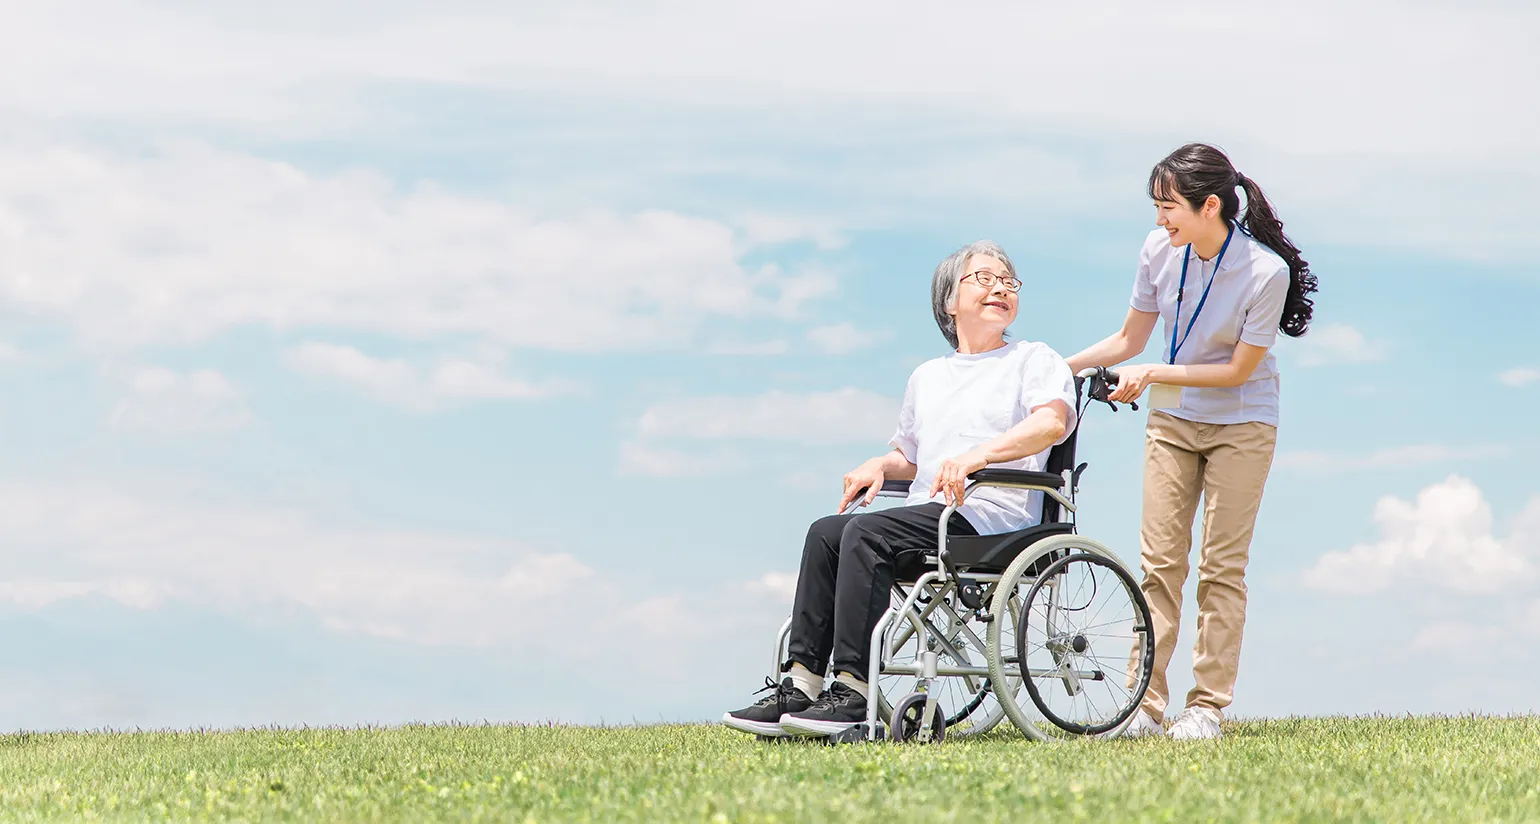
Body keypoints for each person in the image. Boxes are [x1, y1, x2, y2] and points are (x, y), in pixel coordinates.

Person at [722, 240, 1078, 738]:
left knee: (866, 533)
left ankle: (853, 689)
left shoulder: (1034, 359)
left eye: (1007, 281)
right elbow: (912, 459)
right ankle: (801, 684)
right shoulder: (928, 376)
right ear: (949, 301)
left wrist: (978, 456)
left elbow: (1051, 424)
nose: (999, 287)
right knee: (826, 532)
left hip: (993, 517)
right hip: (931, 513)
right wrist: (880, 465)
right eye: (984, 278)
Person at [1067, 143, 1317, 740]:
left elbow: (1236, 371)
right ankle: (1144, 706)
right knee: (1159, 566)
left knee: (1221, 568)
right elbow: (1129, 340)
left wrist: (1153, 373)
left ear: (1210, 206)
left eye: (1168, 207)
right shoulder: (1158, 250)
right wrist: (1054, 368)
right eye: (1156, 207)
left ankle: (1206, 707)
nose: (1159, 220)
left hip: (1242, 422)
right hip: (1173, 419)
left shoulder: (1265, 272)